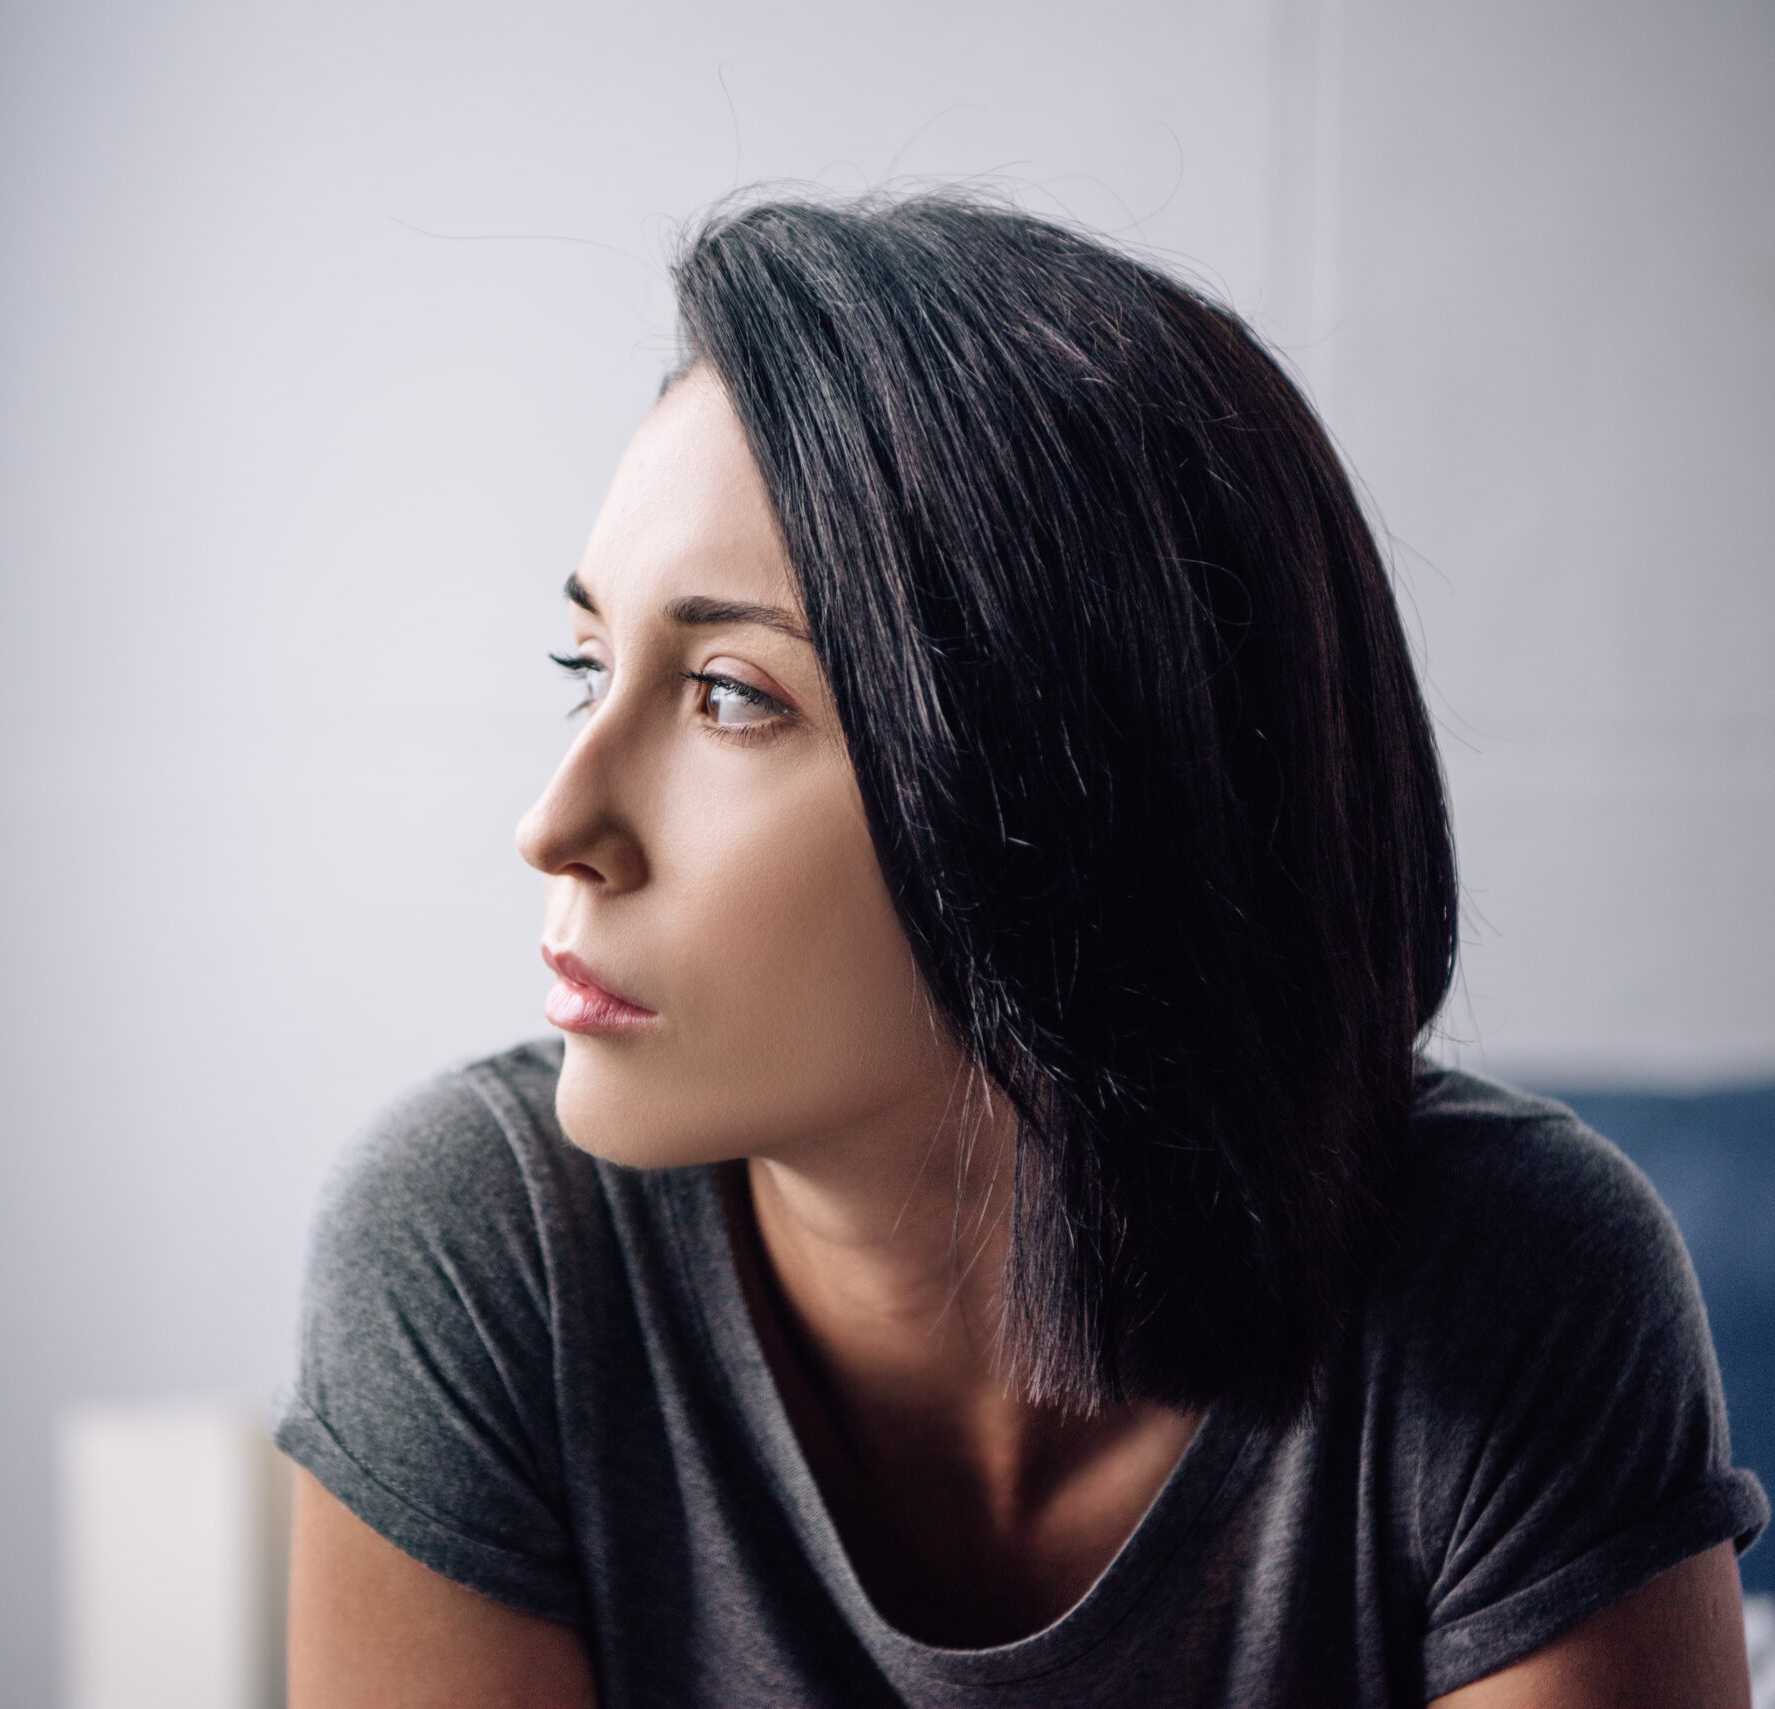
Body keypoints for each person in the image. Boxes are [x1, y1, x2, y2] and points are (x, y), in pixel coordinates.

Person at [273, 191, 1766, 1706]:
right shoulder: (482, 1249)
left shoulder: (1514, 1288)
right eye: (584, 666)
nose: (558, 820)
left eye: (730, 694)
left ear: (1073, 799)